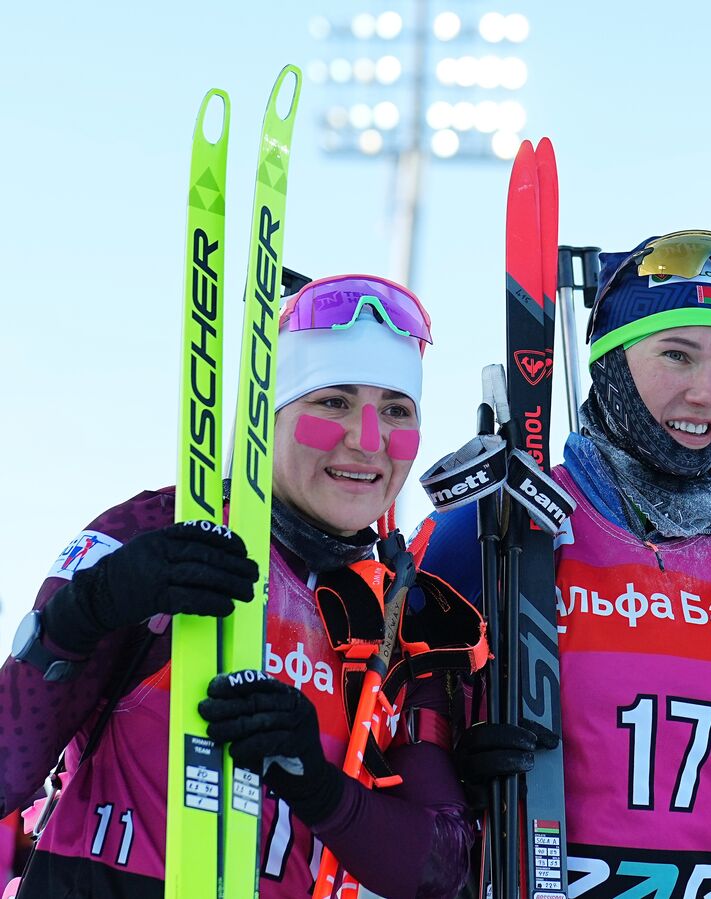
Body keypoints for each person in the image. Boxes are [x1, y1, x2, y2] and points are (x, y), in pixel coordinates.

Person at [0, 274, 470, 898]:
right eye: (332, 401)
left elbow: (441, 869)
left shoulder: (404, 615)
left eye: (396, 410)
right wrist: (83, 615)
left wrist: (318, 787)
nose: (368, 438)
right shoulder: (153, 530)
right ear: (266, 414)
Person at [422, 231, 711, 898]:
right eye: (678, 355)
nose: (709, 393)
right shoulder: (498, 526)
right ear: (609, 363)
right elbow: (380, 720)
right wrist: (447, 769)